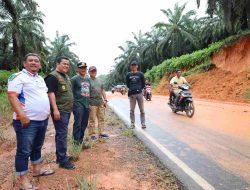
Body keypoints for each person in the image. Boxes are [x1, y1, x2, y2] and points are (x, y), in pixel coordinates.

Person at [7, 53, 54, 190]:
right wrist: (22, 115)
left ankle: (37, 171)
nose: (34, 63)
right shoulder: (18, 77)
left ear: (39, 64)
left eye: (36, 61)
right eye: (31, 60)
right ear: (24, 63)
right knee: (24, 151)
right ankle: (23, 181)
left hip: (42, 120)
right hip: (27, 122)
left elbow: (42, 96)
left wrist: (47, 112)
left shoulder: (39, 78)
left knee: (37, 147)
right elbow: (12, 97)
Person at [45, 56, 75, 170]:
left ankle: (61, 156)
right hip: (60, 110)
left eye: (68, 64)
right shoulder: (53, 76)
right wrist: (55, 109)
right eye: (64, 64)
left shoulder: (65, 76)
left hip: (66, 110)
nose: (66, 66)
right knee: (62, 134)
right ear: (57, 64)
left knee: (61, 134)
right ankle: (62, 160)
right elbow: (50, 93)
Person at [71, 62, 91, 145]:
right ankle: (75, 142)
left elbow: (89, 92)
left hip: (86, 105)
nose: (83, 69)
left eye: (84, 68)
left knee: (84, 124)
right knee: (78, 124)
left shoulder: (87, 79)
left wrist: (89, 103)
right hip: (78, 105)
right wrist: (73, 105)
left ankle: (80, 140)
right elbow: (70, 92)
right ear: (77, 69)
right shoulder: (74, 79)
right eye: (81, 68)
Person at [88, 66, 109, 140]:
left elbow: (102, 90)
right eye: (92, 71)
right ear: (89, 72)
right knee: (92, 119)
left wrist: (105, 100)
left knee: (101, 118)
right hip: (92, 103)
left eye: (94, 71)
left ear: (96, 71)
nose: (93, 72)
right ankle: (92, 135)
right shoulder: (87, 80)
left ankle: (101, 133)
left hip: (100, 102)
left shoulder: (99, 80)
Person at [126, 60, 146, 129]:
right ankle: (132, 124)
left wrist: (139, 89)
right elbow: (128, 84)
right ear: (131, 66)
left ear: (137, 66)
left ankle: (143, 123)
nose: (133, 66)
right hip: (132, 94)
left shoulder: (141, 74)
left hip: (139, 94)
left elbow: (143, 84)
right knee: (132, 110)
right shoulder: (128, 75)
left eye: (135, 65)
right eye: (132, 65)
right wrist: (132, 89)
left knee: (142, 110)